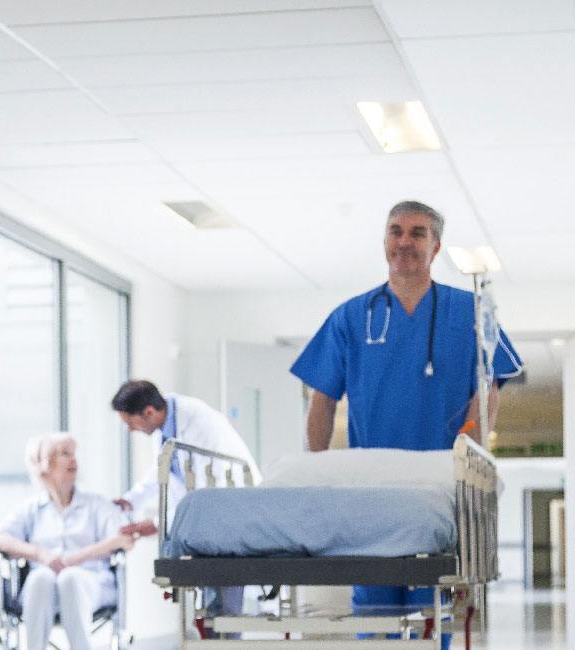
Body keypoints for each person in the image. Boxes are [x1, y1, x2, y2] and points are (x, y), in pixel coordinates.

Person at [290, 200, 524, 645]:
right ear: (384, 243)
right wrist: (316, 470)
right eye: (395, 231)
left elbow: (490, 387)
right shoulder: (351, 317)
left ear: (436, 247)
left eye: (417, 233)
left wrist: (468, 444)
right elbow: (321, 401)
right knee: (374, 618)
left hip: (438, 488)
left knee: (431, 615)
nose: (405, 241)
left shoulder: (471, 312)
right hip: (372, 492)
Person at [110, 379, 258, 623]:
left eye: (130, 423)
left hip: (228, 512)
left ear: (148, 412)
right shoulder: (166, 427)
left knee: (224, 602)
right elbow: (163, 470)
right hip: (207, 517)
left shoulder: (199, 423)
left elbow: (202, 489)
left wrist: (159, 523)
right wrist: (130, 501)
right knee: (211, 604)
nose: (130, 430)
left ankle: (224, 639)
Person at [0, 434, 137, 650]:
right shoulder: (32, 508)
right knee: (40, 577)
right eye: (65, 454)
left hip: (91, 582)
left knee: (70, 577)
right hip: (44, 587)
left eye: (74, 454)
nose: (74, 460)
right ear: (44, 463)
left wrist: (76, 558)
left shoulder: (96, 505)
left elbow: (124, 538)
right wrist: (41, 555)